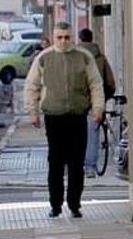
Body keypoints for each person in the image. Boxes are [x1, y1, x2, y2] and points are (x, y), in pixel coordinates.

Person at [24, 23, 105, 218]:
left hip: (77, 116)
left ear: (72, 37)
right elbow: (32, 86)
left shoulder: (84, 57)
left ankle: (75, 204)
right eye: (59, 37)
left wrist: (98, 108)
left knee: (76, 163)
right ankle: (55, 204)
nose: (63, 41)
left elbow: (95, 84)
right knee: (55, 162)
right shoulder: (44, 58)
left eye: (67, 37)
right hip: (54, 116)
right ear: (54, 38)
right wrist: (32, 112)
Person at [78, 28, 117, 177]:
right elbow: (110, 83)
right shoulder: (100, 57)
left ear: (80, 39)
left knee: (75, 134)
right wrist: (105, 98)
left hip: (76, 102)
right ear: (92, 38)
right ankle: (90, 167)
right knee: (93, 134)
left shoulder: (74, 56)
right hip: (96, 102)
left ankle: (75, 165)